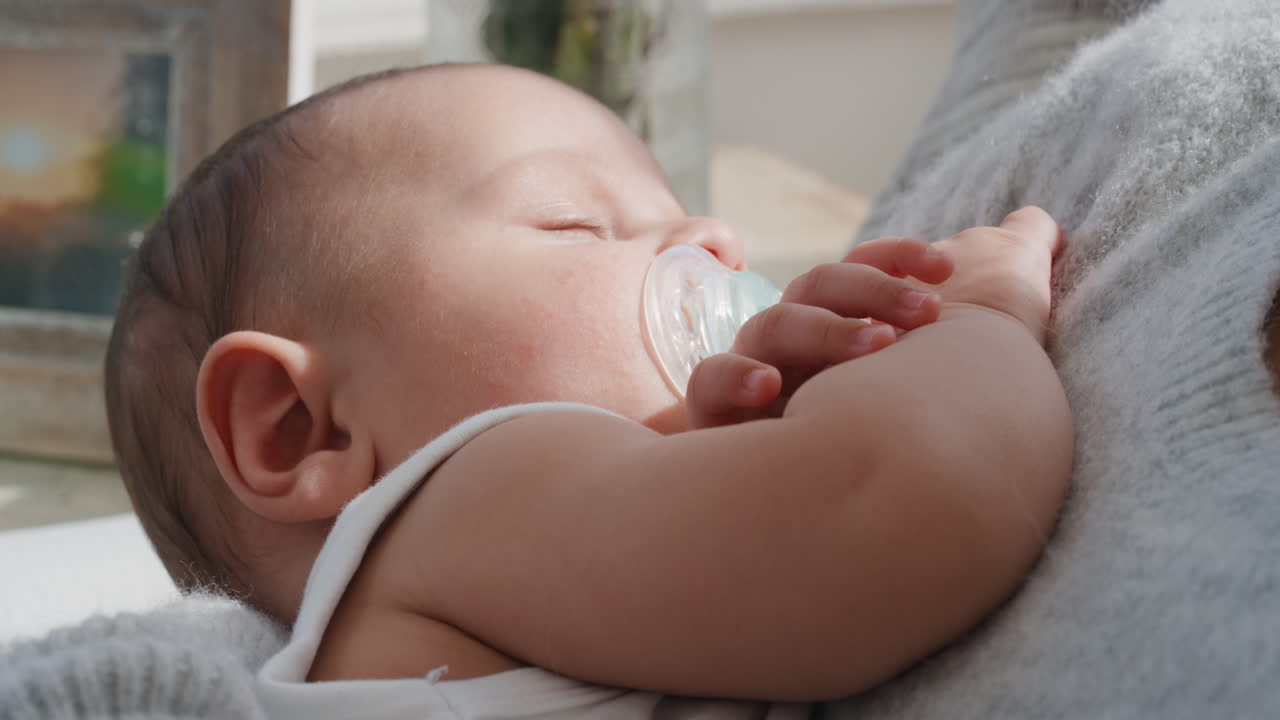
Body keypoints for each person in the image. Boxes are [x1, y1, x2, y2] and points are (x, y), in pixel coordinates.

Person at [103, 63, 1072, 716]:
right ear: (298, 429)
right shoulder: (456, 502)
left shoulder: (489, 591)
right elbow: (888, 504)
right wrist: (978, 318)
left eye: (678, 210)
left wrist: (750, 451)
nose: (714, 244)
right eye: (576, 224)